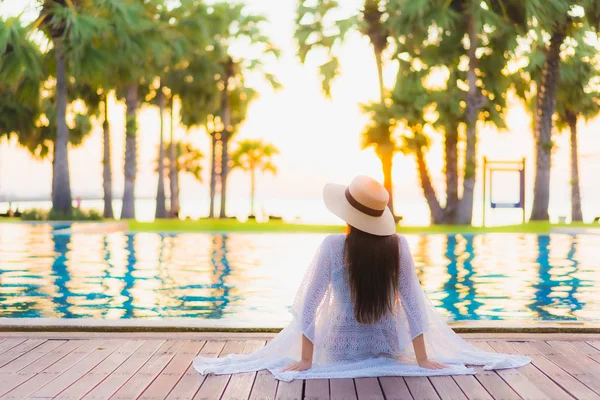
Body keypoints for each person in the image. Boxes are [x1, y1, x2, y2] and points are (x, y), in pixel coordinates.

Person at [194, 175, 530, 381]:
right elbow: (414, 306)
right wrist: (423, 358)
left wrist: (306, 361)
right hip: (388, 348)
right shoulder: (397, 246)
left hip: (339, 349)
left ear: (347, 213)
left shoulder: (332, 245)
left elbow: (308, 306)